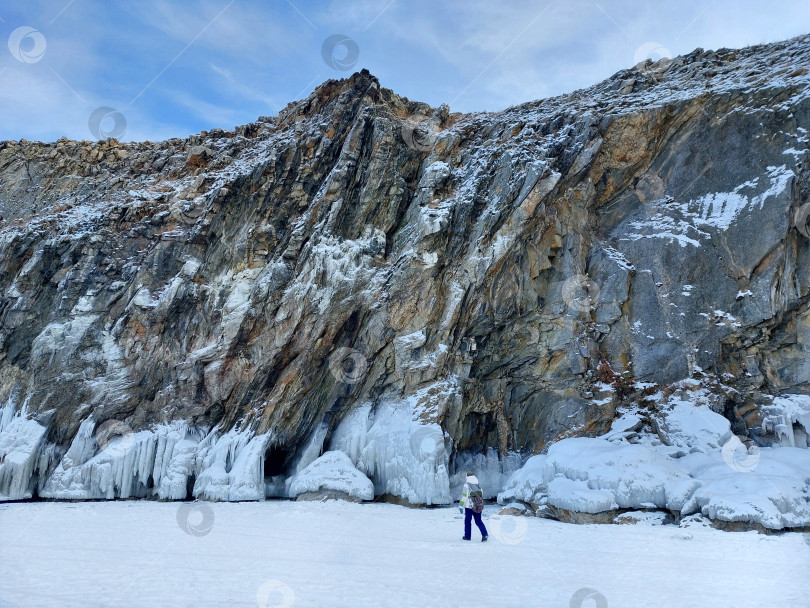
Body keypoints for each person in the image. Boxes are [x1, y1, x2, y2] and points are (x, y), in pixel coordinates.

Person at [459, 470, 488, 542]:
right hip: (478, 506)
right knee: (478, 521)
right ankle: (485, 534)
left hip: (469, 507)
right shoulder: (478, 485)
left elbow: (464, 497)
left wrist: (461, 506)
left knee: (468, 521)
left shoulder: (466, 485)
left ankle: (467, 537)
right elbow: (481, 496)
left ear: (467, 477)